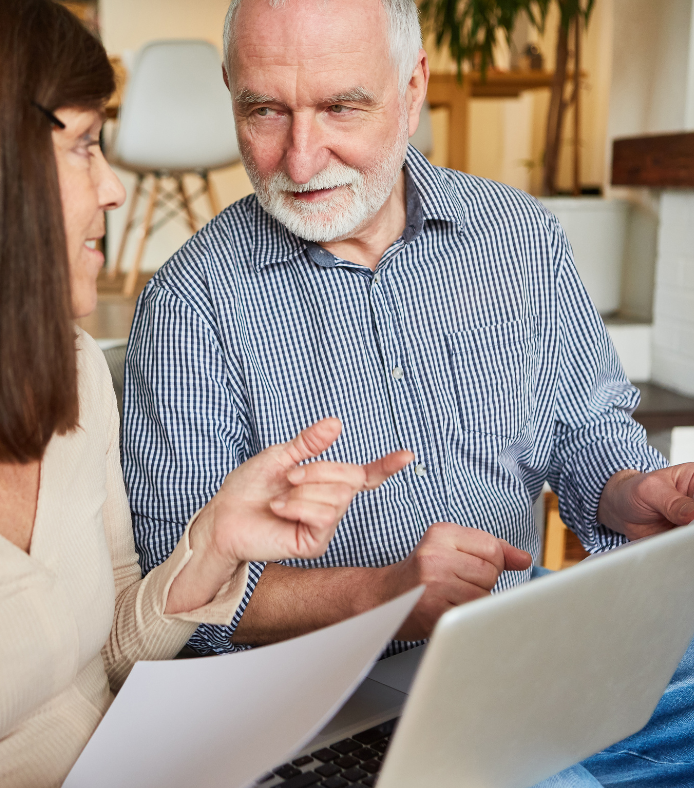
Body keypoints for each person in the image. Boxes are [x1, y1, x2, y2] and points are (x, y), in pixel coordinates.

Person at [0, 1, 408, 785]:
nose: (115, 190)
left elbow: (101, 661)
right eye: (87, 146)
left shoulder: (67, 370)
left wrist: (212, 546)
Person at [122, 0, 694, 784]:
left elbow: (583, 423)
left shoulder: (519, 237)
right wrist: (384, 594)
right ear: (231, 90)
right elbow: (180, 595)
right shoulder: (190, 308)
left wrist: (630, 490)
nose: (299, 159)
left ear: (413, 86)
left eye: (341, 107)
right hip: (328, 693)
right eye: (264, 111)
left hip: (519, 632)